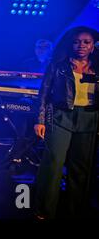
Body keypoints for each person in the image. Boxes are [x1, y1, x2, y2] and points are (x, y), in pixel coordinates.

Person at [34, 26, 99, 219]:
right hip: (61, 116)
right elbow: (44, 94)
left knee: (81, 169)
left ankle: (75, 211)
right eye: (77, 41)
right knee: (53, 164)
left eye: (86, 42)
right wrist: (40, 120)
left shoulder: (97, 66)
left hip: (89, 118)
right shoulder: (58, 65)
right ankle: (44, 211)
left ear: (93, 46)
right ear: (71, 44)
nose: (81, 46)